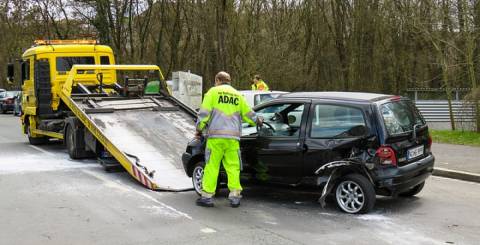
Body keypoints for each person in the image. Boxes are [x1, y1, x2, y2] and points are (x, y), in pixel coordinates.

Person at [196, 71, 262, 208]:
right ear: (229, 81)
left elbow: (204, 114)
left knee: (212, 167)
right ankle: (235, 196)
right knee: (233, 167)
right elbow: (249, 114)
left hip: (216, 138)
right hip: (233, 139)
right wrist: (258, 120)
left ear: (217, 80)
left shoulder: (212, 93)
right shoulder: (238, 95)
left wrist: (199, 128)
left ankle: (207, 197)